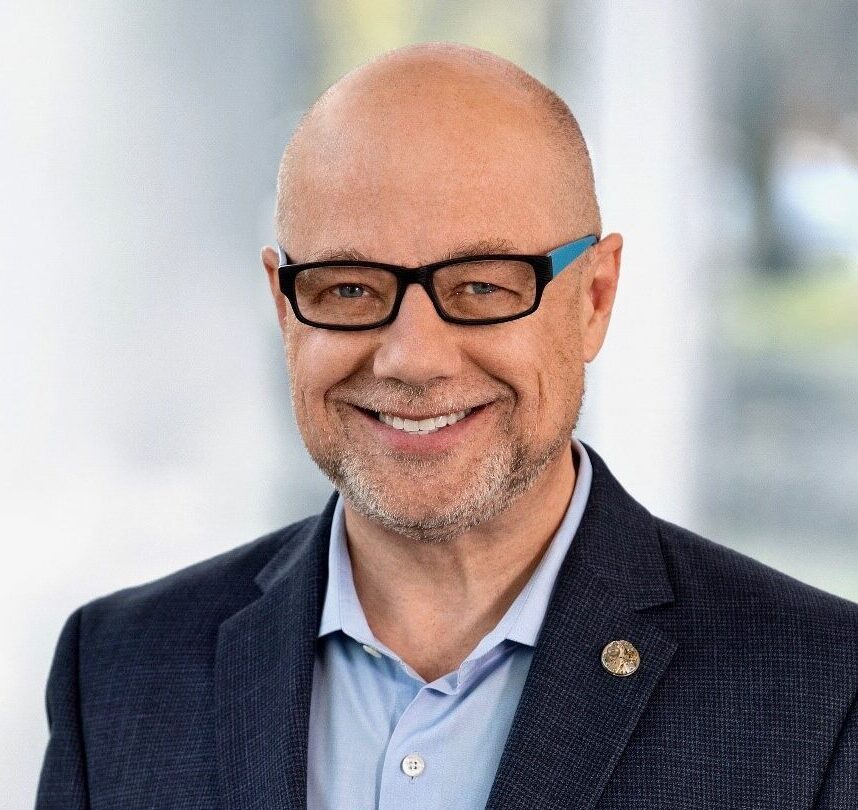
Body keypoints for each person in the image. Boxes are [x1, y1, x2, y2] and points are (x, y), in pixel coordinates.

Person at [36, 43, 857, 810]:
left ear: (594, 299)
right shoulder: (113, 673)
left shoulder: (822, 694)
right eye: (349, 288)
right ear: (285, 310)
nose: (413, 359)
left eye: (483, 286)